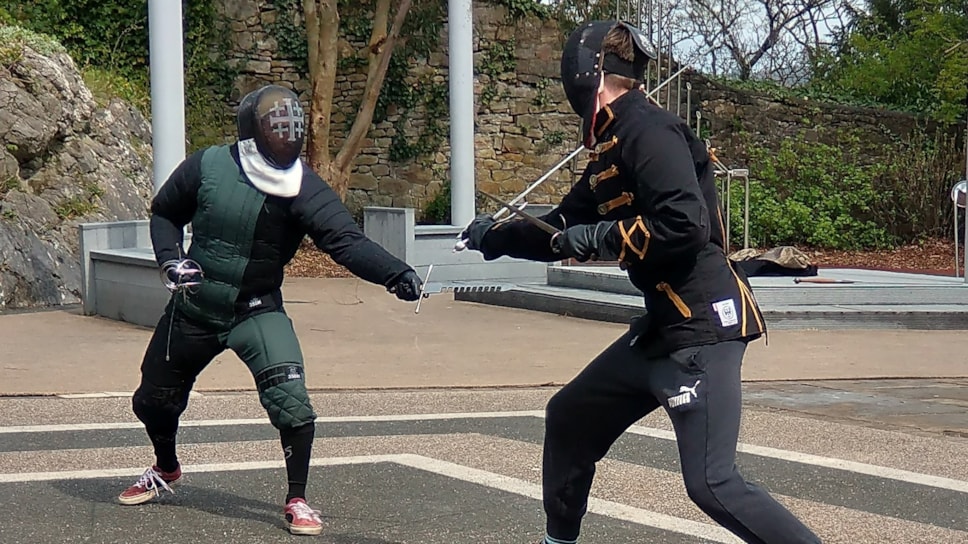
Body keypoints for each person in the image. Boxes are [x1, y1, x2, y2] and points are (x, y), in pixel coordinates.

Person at [461, 20, 822, 544]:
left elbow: (684, 225)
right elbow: (563, 225)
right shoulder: (613, 140)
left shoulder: (650, 131)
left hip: (704, 328)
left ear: (591, 72)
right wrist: (493, 238)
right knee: (570, 418)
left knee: (712, 484)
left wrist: (596, 238)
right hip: (661, 327)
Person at [118, 84, 423, 536]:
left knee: (292, 403)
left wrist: (395, 273)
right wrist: (170, 259)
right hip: (194, 307)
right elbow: (164, 213)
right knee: (152, 401)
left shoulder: (303, 186)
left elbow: (345, 241)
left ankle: (297, 498)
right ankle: (166, 468)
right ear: (251, 133)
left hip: (256, 310)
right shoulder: (207, 165)